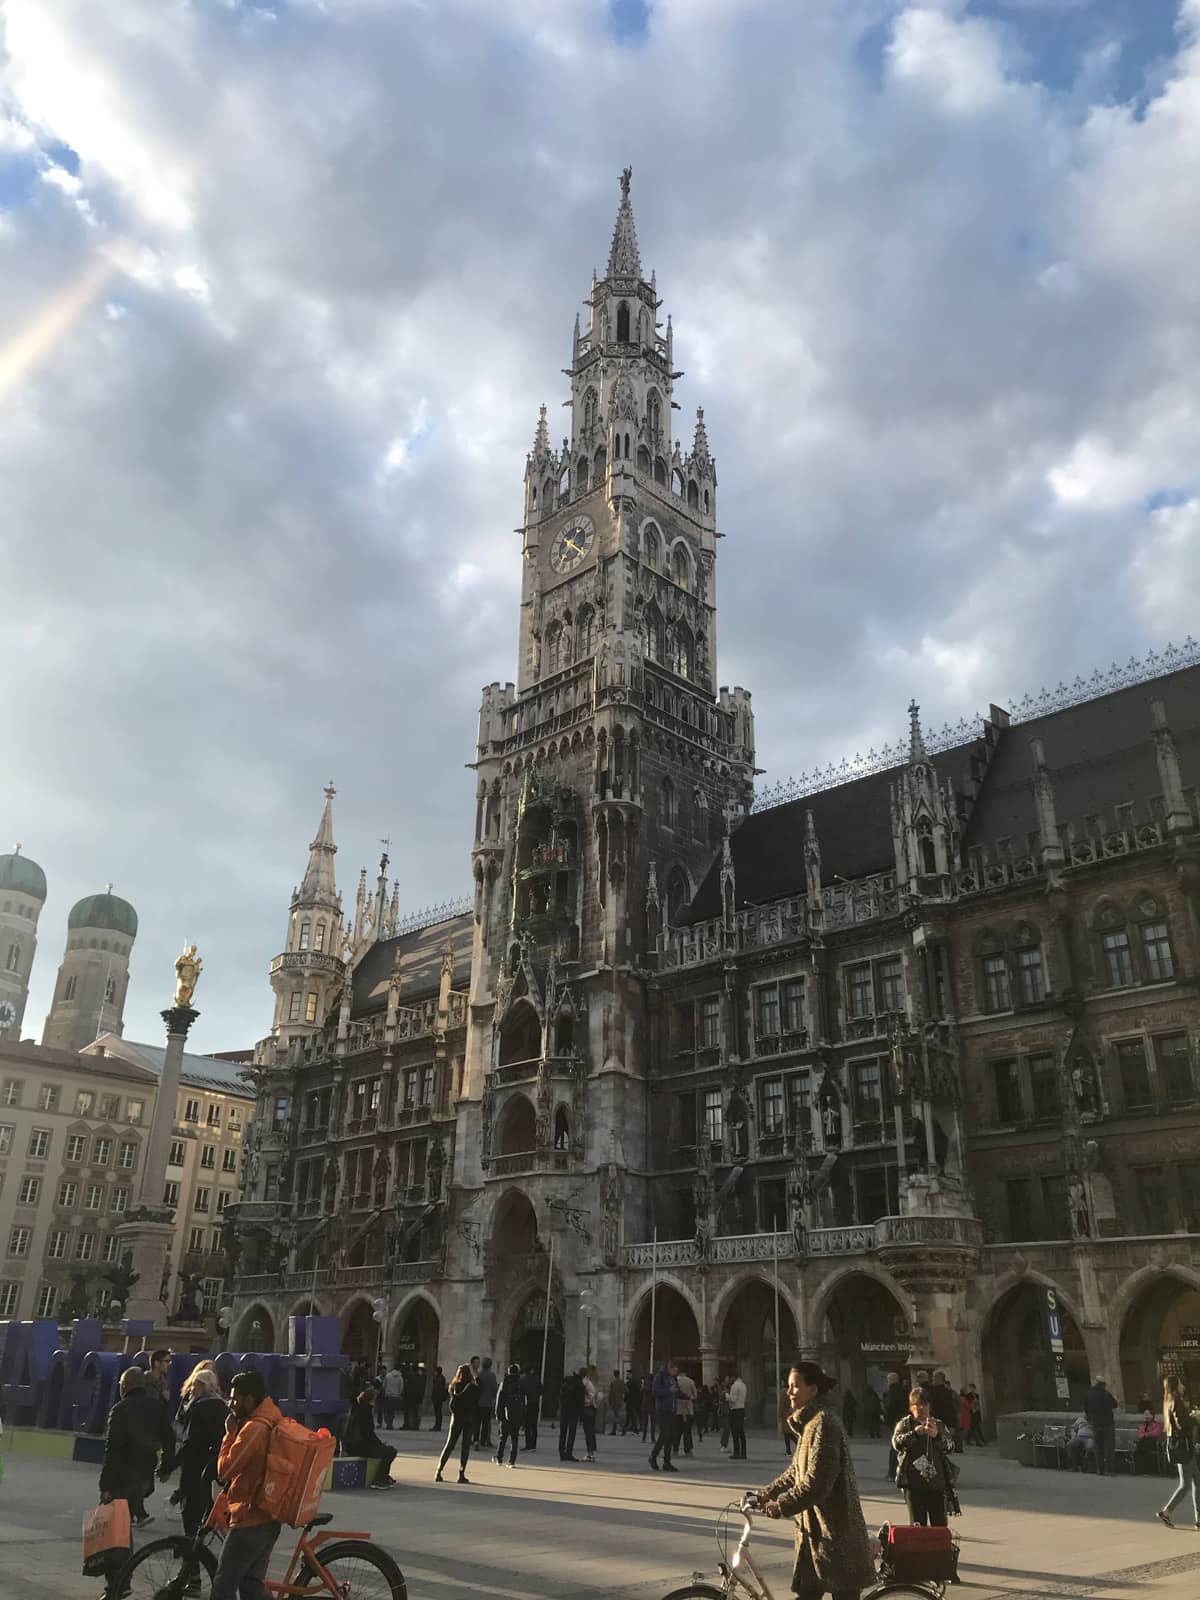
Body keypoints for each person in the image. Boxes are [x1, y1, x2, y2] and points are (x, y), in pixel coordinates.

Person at [759, 1363, 875, 1600]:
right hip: (815, 1536)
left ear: (812, 1390)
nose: (789, 1391)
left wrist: (781, 1505)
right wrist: (768, 1493)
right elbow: (796, 1472)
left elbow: (818, 1483)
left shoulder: (823, 1424)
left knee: (843, 1595)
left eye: (795, 1386)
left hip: (835, 1536)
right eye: (788, 1386)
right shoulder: (810, 1424)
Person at [211, 1370, 284, 1600]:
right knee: (251, 1586)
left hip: (250, 1518)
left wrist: (229, 1434)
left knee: (223, 1587)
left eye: (235, 1398)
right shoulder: (272, 1417)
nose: (231, 1403)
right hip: (266, 1515)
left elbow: (225, 1471)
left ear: (249, 1399)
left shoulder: (255, 1428)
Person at [100, 1365, 176, 1530]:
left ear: (125, 1385)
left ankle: (115, 1553)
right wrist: (166, 1467)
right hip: (145, 1473)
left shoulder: (119, 1410)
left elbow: (113, 1449)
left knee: (111, 1528)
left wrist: (105, 1485)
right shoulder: (156, 1407)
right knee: (125, 1522)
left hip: (122, 1476)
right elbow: (169, 1438)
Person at [170, 1367, 226, 1589]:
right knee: (208, 1528)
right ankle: (193, 1575)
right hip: (215, 1474)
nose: (192, 1388)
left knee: (191, 1531)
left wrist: (169, 1466)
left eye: (196, 1385)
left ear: (203, 1387)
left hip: (194, 1474)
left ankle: (192, 1578)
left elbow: (190, 1445)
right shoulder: (224, 1408)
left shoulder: (197, 1408)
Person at [892, 1385, 957, 1526]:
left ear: (929, 1406)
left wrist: (936, 1436)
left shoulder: (938, 1425)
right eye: (916, 1404)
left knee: (939, 1526)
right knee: (917, 1526)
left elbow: (951, 1447)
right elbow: (896, 1444)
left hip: (937, 1484)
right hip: (914, 1484)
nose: (920, 1408)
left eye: (924, 1404)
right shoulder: (905, 1424)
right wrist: (914, 1433)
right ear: (911, 1407)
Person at [1157, 1374, 1199, 1529]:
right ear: (1175, 1387)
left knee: (1197, 1482)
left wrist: (1189, 1416)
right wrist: (1195, 1418)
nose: (1183, 1386)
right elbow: (1183, 1426)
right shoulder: (1177, 1402)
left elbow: (1178, 1423)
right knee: (1186, 1484)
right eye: (1181, 1384)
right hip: (1184, 1447)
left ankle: (1198, 1519)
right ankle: (1166, 1511)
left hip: (1182, 1446)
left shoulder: (1170, 1402)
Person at [343, 1388, 397, 1489]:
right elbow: (368, 1434)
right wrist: (380, 1444)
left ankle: (384, 1476)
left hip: (353, 1446)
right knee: (391, 1452)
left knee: (384, 1449)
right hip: (360, 1447)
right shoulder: (365, 1412)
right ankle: (379, 1479)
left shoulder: (357, 1408)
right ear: (372, 1400)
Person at [436, 1363, 479, 1484]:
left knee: (449, 1445)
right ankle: (461, 1474)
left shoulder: (454, 1386)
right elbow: (478, 1396)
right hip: (468, 1419)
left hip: (456, 1418)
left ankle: (439, 1471)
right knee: (465, 1447)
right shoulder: (472, 1387)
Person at [648, 1359, 680, 1472]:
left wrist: (687, 1396)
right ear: (669, 1367)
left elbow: (676, 1391)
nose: (676, 1371)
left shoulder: (673, 1378)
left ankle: (667, 1462)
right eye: (675, 1368)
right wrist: (669, 1391)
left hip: (672, 1410)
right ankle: (653, 1456)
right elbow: (655, 1392)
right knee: (664, 1434)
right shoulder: (659, 1376)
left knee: (670, 1436)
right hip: (662, 1410)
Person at [1085, 1376, 1118, 1476]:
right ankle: (1110, 1469)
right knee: (1109, 1447)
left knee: (1098, 1447)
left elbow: (1086, 1409)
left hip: (1095, 1424)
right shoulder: (1106, 1394)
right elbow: (1115, 1404)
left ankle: (1100, 1469)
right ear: (1103, 1384)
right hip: (1107, 1423)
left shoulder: (1089, 1394)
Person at [495, 1362, 526, 1468]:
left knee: (502, 1437)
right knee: (514, 1438)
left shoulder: (505, 1382)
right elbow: (523, 1401)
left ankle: (499, 1458)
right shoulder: (520, 1383)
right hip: (517, 1414)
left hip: (505, 1413)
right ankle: (511, 1461)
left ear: (508, 1372)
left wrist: (498, 1414)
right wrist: (523, 1416)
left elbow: (499, 1400)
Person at [883, 1371, 908, 1479]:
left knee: (895, 1448)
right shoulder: (904, 1391)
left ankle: (892, 1473)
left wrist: (886, 1420)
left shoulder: (891, 1392)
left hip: (895, 1422)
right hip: (904, 1421)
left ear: (891, 1380)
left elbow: (890, 1408)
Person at [559, 1366, 585, 1461]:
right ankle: (569, 1453)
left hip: (564, 1409)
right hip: (573, 1411)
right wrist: (582, 1416)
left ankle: (561, 1453)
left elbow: (561, 1395)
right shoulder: (580, 1385)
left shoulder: (567, 1380)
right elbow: (580, 1402)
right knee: (571, 1433)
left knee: (563, 1432)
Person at [929, 1370, 959, 1449]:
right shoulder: (948, 1392)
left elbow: (949, 1409)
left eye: (934, 1378)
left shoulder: (934, 1392)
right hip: (945, 1423)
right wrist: (952, 1424)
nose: (932, 1380)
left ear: (938, 1379)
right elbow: (951, 1409)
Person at [475, 1356, 498, 1449]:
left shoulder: (478, 1375)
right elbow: (494, 1389)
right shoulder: (492, 1375)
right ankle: (483, 1441)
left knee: (476, 1423)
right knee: (485, 1424)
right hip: (488, 1403)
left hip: (477, 1402)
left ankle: (475, 1440)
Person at [728, 1369, 748, 1461]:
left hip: (735, 1410)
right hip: (742, 1408)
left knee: (735, 1432)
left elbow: (733, 1399)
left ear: (733, 1377)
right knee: (741, 1433)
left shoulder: (735, 1386)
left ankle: (736, 1452)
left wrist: (727, 1396)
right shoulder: (744, 1385)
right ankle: (743, 1453)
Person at [676, 1368, 697, 1455]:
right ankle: (688, 1449)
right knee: (687, 1431)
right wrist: (689, 1397)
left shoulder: (675, 1381)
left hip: (677, 1409)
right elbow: (695, 1395)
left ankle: (675, 1449)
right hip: (688, 1409)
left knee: (676, 1431)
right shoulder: (691, 1381)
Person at [521, 1365, 542, 1450]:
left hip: (526, 1404)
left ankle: (528, 1444)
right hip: (535, 1403)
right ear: (531, 1370)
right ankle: (533, 1445)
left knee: (527, 1425)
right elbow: (541, 1391)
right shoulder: (537, 1379)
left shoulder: (522, 1380)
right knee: (533, 1425)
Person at [581, 1366, 599, 1462]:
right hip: (592, 1408)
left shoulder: (585, 1382)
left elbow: (591, 1396)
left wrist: (585, 1402)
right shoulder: (590, 1382)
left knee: (588, 1432)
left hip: (588, 1409)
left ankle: (590, 1453)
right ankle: (592, 1453)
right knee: (591, 1432)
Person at [402, 1364, 425, 1431]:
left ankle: (407, 1425)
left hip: (409, 1397)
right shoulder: (420, 1377)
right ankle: (415, 1425)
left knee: (408, 1412)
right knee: (415, 1412)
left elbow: (406, 1387)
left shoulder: (409, 1376)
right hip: (416, 1397)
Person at [382, 1361, 404, 1430]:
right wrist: (399, 1394)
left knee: (387, 1410)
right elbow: (401, 1387)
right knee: (392, 1411)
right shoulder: (400, 1377)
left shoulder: (388, 1375)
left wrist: (385, 1391)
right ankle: (390, 1423)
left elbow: (384, 1385)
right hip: (395, 1396)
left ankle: (388, 1422)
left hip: (388, 1395)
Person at [430, 1366, 449, 1431]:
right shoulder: (439, 1378)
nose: (434, 1373)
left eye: (435, 1371)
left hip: (438, 1397)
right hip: (438, 1397)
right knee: (438, 1412)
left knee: (438, 1412)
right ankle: (437, 1425)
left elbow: (437, 1388)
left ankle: (437, 1426)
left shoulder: (439, 1378)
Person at [608, 1370, 625, 1435]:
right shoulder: (621, 1382)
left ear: (614, 1375)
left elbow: (611, 1393)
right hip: (620, 1401)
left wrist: (609, 1401)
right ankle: (614, 1430)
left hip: (614, 1401)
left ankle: (623, 1428)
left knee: (617, 1415)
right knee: (616, 1415)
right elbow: (626, 1390)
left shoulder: (613, 1382)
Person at [623, 1372, 641, 1437]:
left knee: (631, 1417)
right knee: (630, 1417)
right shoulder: (636, 1383)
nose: (627, 1376)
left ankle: (634, 1430)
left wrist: (625, 1399)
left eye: (627, 1375)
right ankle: (625, 1430)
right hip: (634, 1403)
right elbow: (638, 1393)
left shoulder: (627, 1384)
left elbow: (627, 1393)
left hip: (629, 1402)